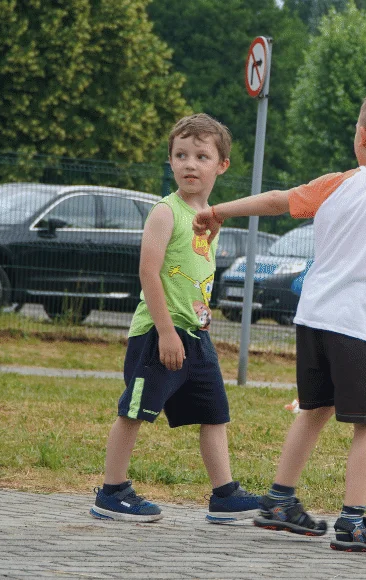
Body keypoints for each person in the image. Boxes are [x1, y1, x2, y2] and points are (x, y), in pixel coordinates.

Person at [193, 82, 366, 553]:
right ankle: (353, 521)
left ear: (363, 135)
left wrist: (220, 210)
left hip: (314, 317)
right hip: (360, 327)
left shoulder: (337, 183)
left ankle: (279, 501)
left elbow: (278, 201)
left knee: (315, 409)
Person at [91, 114, 260, 523]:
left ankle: (224, 495)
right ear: (169, 161)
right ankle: (111, 491)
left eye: (201, 156)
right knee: (134, 410)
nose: (190, 164)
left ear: (222, 165)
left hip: (197, 337)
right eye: (181, 155)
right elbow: (149, 272)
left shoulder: (207, 219)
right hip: (159, 335)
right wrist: (166, 333)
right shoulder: (165, 212)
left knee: (214, 414)